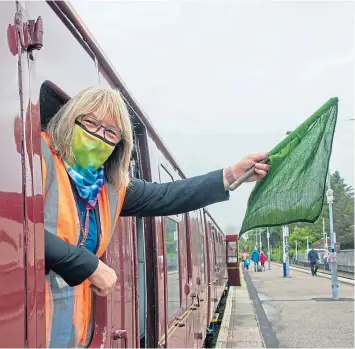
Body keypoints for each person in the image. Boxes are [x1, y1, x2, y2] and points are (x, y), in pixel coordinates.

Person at [41, 85, 269, 348]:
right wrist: (88, 265)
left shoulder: (108, 187)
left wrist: (230, 176)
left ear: (118, 145)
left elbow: (166, 195)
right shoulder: (38, 157)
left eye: (110, 132)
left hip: (66, 333)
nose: (98, 136)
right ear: (71, 118)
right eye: (90, 123)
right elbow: (16, 230)